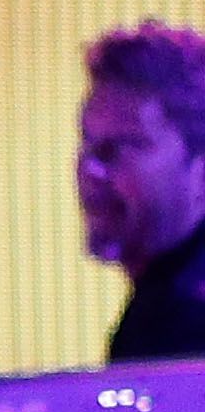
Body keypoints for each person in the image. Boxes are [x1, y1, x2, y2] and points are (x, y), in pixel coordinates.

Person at [83, 22, 205, 363]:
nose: (91, 168)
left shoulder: (186, 319)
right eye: (88, 143)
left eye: (121, 146)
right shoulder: (160, 303)